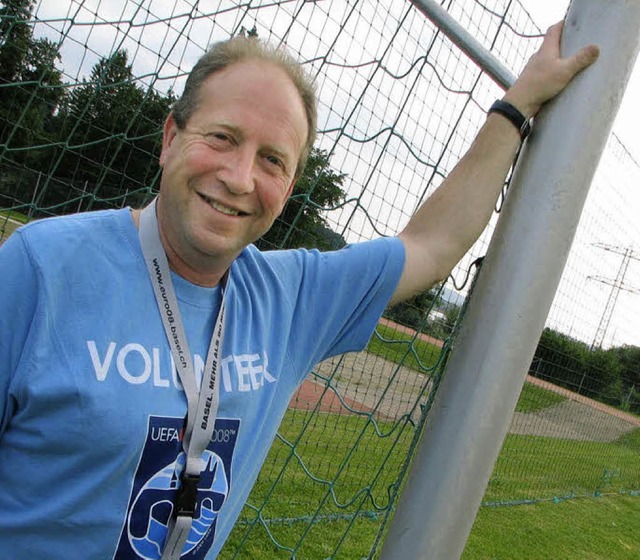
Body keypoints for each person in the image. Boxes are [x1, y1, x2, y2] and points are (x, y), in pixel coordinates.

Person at [0, 22, 598, 559]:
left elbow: (433, 245)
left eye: (272, 161)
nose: (238, 178)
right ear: (170, 138)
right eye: (222, 137)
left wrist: (517, 106)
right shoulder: (42, 266)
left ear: (289, 186)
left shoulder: (288, 298)